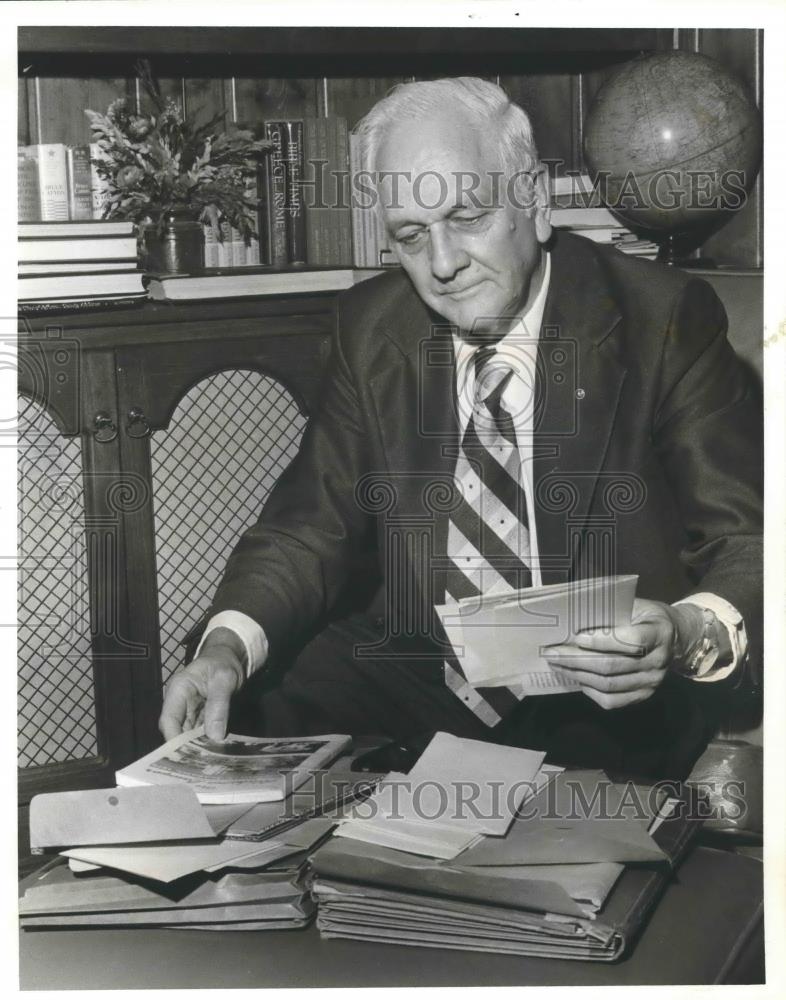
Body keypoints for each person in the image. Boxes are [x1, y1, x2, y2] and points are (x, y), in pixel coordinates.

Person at [159, 78, 761, 778]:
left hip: (600, 684)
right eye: (412, 236)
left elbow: (748, 539)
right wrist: (223, 649)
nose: (442, 265)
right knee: (233, 690)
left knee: (588, 809)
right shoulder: (372, 327)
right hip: (427, 675)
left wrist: (684, 633)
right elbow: (307, 527)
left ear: (534, 203)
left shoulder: (662, 321)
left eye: (467, 217)